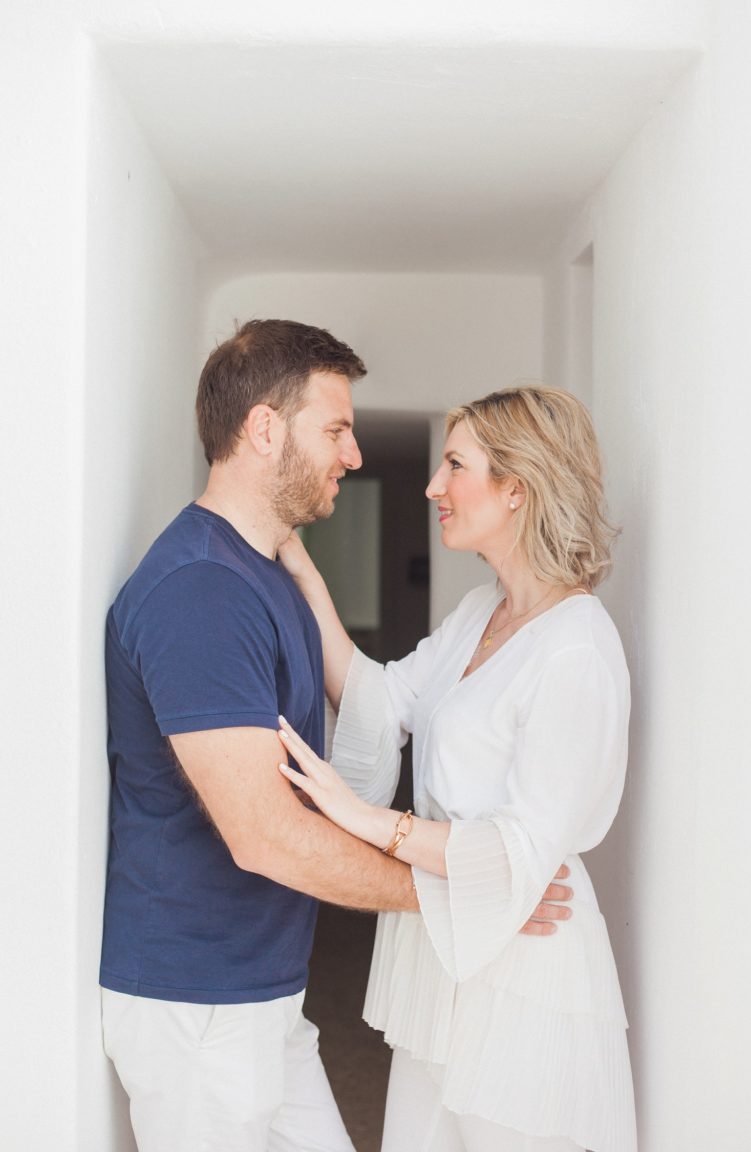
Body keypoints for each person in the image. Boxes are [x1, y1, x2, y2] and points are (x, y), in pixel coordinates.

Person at [99, 321, 571, 1152]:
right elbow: (265, 836)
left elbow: (363, 730)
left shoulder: (266, 573)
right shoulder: (200, 593)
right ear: (265, 429)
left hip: (260, 995)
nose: (352, 454)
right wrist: (453, 894)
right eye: (336, 429)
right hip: (198, 1007)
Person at [276, 385, 636, 1152]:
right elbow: (380, 696)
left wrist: (371, 822)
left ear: (516, 488)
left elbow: (517, 854)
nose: (434, 487)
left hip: (526, 971)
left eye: (454, 465)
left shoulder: (576, 648)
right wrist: (297, 563)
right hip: (443, 950)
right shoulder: (481, 611)